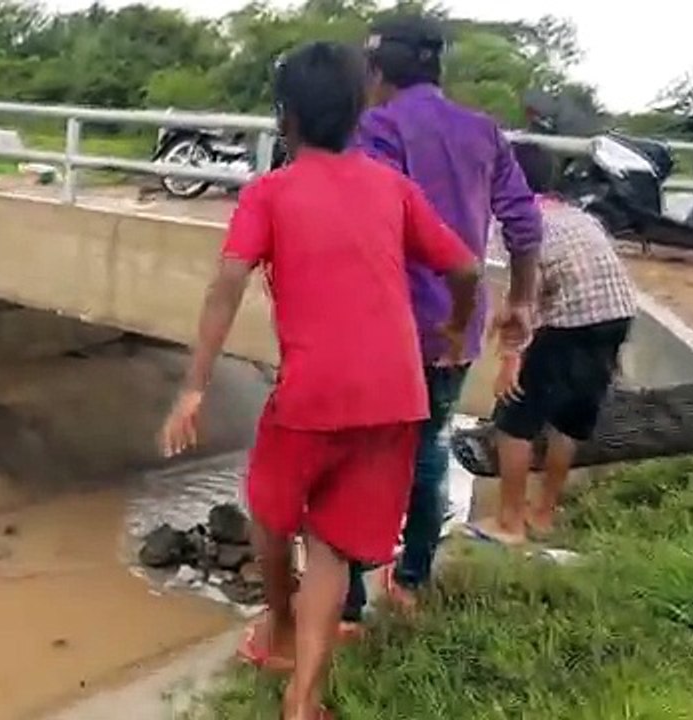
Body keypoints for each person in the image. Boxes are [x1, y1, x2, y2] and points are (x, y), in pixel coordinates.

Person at [158, 41, 481, 720]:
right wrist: (454, 328)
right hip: (396, 397)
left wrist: (194, 386)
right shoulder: (393, 188)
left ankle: (277, 628)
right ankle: (304, 700)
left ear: (286, 119)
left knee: (274, 517)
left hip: (311, 396)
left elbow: (226, 285)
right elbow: (467, 269)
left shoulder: (270, 191)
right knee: (333, 547)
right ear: (362, 109)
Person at [342, 14, 543, 629]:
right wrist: (522, 301)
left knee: (360, 455)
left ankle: (349, 602)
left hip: (390, 321)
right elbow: (525, 222)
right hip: (459, 321)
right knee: (425, 447)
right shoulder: (482, 130)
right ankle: (411, 578)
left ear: (376, 72)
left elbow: (364, 221)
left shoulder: (375, 127)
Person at [468, 143, 637, 545]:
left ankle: (509, 523)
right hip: (617, 314)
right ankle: (543, 513)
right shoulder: (579, 217)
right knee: (569, 420)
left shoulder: (516, 221)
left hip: (568, 322)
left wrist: (511, 359)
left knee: (514, 422)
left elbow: (526, 292)